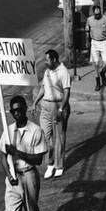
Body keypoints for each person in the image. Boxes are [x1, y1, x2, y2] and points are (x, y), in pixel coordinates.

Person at [0, 95, 47, 211]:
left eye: (19, 110)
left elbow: (38, 160)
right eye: (13, 111)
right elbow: (3, 157)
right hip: (13, 179)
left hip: (29, 176)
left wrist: (17, 153)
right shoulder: (8, 131)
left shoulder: (36, 130)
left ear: (25, 109)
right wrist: (9, 175)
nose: (16, 113)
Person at [32, 49, 71, 179]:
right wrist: (35, 102)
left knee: (59, 137)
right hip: (45, 106)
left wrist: (61, 110)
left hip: (58, 105)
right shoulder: (48, 71)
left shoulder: (63, 72)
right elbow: (43, 87)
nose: (45, 62)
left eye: (47, 60)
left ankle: (59, 165)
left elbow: (66, 92)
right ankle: (50, 163)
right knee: (45, 136)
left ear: (54, 59)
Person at [85, 5, 106, 91]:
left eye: (99, 13)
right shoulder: (89, 20)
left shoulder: (104, 18)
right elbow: (87, 31)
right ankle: (98, 82)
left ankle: (102, 73)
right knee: (96, 64)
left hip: (103, 43)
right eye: (96, 14)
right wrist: (87, 41)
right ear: (93, 13)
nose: (98, 15)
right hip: (94, 43)